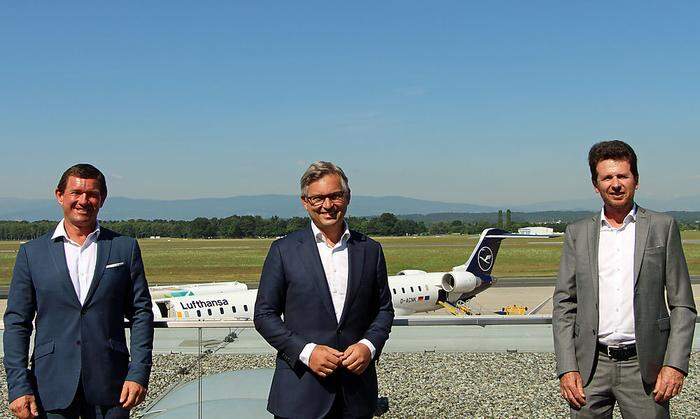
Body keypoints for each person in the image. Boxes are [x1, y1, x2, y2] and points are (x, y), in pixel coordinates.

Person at [553, 141, 696, 418]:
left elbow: (683, 306)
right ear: (596, 185)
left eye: (622, 176)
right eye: (607, 177)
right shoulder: (577, 233)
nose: (615, 184)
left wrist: (675, 365)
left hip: (646, 369)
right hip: (590, 368)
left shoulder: (662, 227)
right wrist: (567, 367)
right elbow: (564, 304)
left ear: (636, 180)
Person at [4, 164, 154, 419]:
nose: (83, 201)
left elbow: (141, 313)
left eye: (92, 194)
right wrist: (18, 385)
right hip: (50, 388)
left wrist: (138, 372)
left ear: (102, 199)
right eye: (75, 193)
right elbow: (17, 322)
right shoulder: (32, 253)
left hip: (113, 388)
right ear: (60, 195)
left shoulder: (123, 248)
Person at [254, 161, 394, 418]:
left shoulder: (371, 250)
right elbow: (264, 315)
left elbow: (384, 310)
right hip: (299, 393)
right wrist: (306, 352)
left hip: (356, 395)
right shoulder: (283, 251)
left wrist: (368, 346)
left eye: (335, 196)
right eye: (318, 198)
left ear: (347, 197)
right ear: (305, 202)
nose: (327, 205)